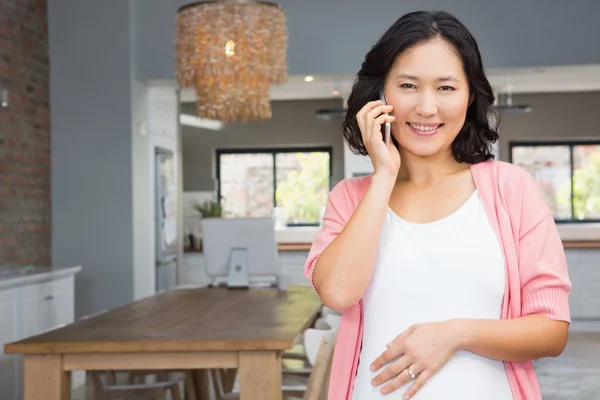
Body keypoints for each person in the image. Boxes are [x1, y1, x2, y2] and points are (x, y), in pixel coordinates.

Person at [304, 10, 571, 400]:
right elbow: (338, 293)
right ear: (380, 95)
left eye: (446, 88)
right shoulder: (350, 198)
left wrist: (455, 334)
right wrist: (382, 177)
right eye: (409, 85)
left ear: (470, 95)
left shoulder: (512, 190)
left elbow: (551, 330)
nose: (427, 108)